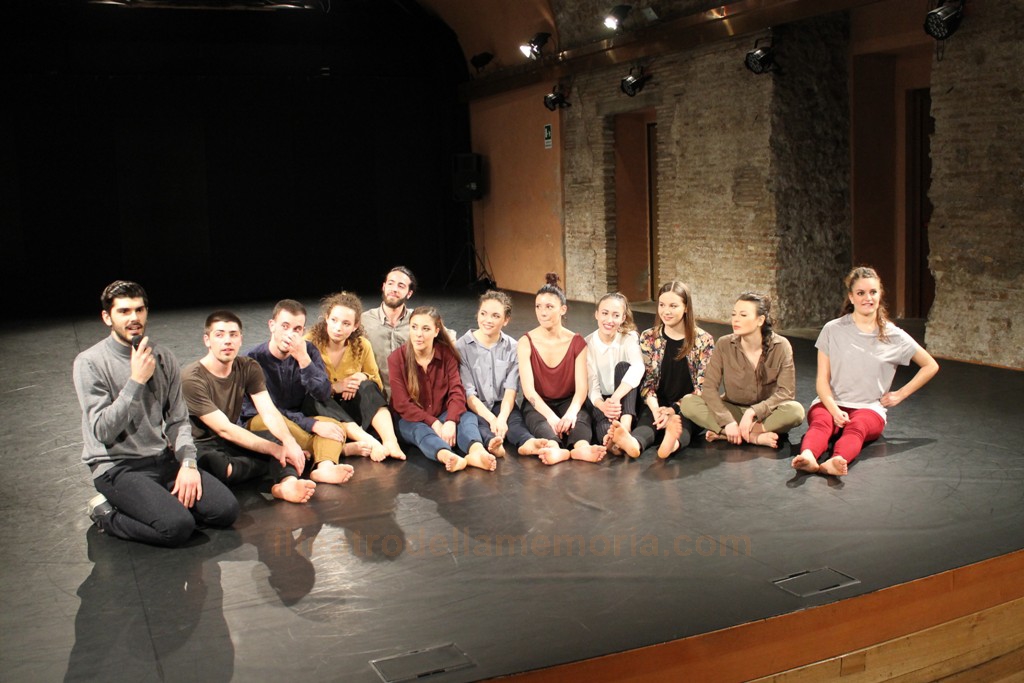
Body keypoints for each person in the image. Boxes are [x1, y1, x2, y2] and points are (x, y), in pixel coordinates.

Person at [72, 280, 238, 546]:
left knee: (226, 510)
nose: (134, 318)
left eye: (139, 310)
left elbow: (178, 420)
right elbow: (103, 431)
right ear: (107, 317)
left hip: (161, 459)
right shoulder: (90, 362)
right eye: (124, 311)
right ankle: (107, 516)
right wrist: (136, 381)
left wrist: (188, 463)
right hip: (117, 467)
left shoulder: (163, 357)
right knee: (178, 527)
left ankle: (159, 503)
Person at [792, 266, 939, 476]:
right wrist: (834, 410)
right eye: (861, 293)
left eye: (873, 292)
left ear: (880, 295)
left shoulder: (893, 335)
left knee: (857, 428)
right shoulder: (832, 329)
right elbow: (822, 380)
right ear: (851, 297)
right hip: (831, 403)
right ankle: (808, 456)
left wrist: (900, 394)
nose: (867, 298)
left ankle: (837, 461)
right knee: (821, 424)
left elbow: (930, 365)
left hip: (869, 409)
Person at [182, 310, 320, 503]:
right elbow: (224, 429)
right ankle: (272, 466)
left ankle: (286, 483)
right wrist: (275, 451)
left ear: (240, 339)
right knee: (218, 464)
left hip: (231, 442)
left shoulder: (248, 367)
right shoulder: (192, 378)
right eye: (219, 335)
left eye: (233, 335)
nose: (227, 341)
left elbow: (269, 412)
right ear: (207, 340)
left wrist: (288, 442)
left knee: (279, 440)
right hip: (201, 445)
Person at [240, 299, 357, 484]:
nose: (290, 334)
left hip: (297, 419)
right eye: (285, 326)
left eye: (297, 329)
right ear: (272, 325)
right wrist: (310, 425)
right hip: (263, 422)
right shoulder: (251, 360)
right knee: (266, 422)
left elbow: (323, 393)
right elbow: (259, 412)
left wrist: (303, 360)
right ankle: (326, 451)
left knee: (334, 426)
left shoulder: (308, 351)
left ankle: (325, 467)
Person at [680, 292, 805, 448]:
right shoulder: (724, 344)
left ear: (760, 320)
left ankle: (728, 434)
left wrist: (753, 412)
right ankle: (752, 437)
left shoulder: (781, 346)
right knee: (688, 403)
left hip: (766, 414)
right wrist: (727, 421)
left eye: (743, 315)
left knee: (795, 411)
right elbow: (709, 388)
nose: (736, 319)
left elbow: (786, 392)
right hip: (733, 410)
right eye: (734, 314)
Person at [611, 281, 714, 459]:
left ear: (686, 308)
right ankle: (634, 444)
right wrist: (657, 409)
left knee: (685, 425)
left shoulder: (703, 340)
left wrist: (673, 409)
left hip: (689, 405)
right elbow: (648, 382)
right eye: (662, 305)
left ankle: (671, 444)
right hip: (657, 402)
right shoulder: (649, 337)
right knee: (647, 423)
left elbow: (702, 387)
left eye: (673, 306)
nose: (666, 311)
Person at [388, 306, 496, 473]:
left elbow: (456, 392)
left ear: (436, 331)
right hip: (410, 419)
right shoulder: (396, 358)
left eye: (426, 329)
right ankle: (447, 456)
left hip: (442, 412)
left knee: (466, 417)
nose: (418, 334)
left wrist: (451, 420)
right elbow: (402, 404)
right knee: (420, 431)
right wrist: (434, 423)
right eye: (414, 327)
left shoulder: (447, 354)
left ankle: (477, 452)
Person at [455, 290, 558, 459]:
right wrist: (492, 419)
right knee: (477, 423)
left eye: (495, 316)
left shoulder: (513, 347)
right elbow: (469, 394)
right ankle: (492, 443)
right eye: (483, 314)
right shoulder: (462, 347)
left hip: (502, 403)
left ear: (506, 320)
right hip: (475, 405)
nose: (488, 320)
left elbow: (511, 391)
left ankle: (527, 442)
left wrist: (502, 418)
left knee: (515, 421)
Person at [306, 291, 406, 461]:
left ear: (355, 325)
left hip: (351, 407)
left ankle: (390, 441)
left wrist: (362, 377)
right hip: (324, 410)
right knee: (315, 398)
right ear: (326, 318)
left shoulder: (361, 345)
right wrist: (334, 387)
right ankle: (369, 441)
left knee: (368, 387)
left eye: (346, 323)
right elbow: (303, 385)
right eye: (334, 320)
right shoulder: (309, 342)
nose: (338, 328)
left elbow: (376, 383)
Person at [517, 273, 606, 465]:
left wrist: (571, 413)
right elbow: (529, 390)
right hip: (538, 402)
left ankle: (581, 448)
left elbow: (581, 389)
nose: (542, 312)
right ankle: (554, 448)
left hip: (568, 399)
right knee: (540, 423)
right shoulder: (525, 342)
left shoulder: (577, 342)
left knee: (580, 418)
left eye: (549, 307)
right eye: (538, 307)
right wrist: (551, 416)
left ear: (563, 309)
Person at [585, 292, 644, 456]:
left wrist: (616, 397)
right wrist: (604, 405)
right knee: (601, 420)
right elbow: (591, 383)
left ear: (623, 318)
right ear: (597, 314)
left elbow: (638, 367)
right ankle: (613, 441)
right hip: (601, 400)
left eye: (616, 315)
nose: (609, 320)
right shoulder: (587, 344)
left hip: (624, 398)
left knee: (625, 368)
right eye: (605, 313)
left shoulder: (629, 338)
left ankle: (625, 426)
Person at [362, 266, 416, 399]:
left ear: (409, 293)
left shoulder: (418, 319)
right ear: (384, 286)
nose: (394, 289)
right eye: (390, 283)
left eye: (401, 286)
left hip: (411, 397)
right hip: (376, 397)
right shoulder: (364, 320)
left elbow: (448, 338)